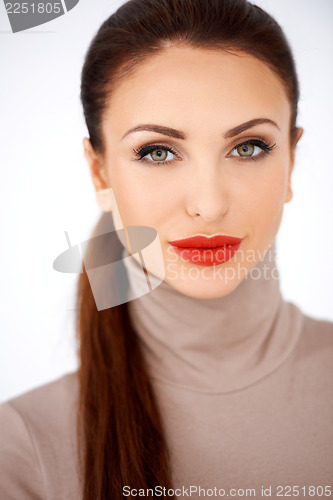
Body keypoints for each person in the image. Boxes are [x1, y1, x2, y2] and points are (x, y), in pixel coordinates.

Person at [0, 0, 332, 499]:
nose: (208, 205)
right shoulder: (21, 445)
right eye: (157, 151)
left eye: (248, 147)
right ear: (100, 172)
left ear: (290, 158)